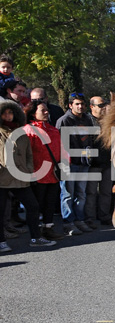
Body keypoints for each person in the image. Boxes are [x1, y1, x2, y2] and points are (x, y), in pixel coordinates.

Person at [0, 100, 56, 252]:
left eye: (10, 112)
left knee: (33, 206)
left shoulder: (21, 132)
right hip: (2, 178)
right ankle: (1, 242)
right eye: (4, 113)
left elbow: (29, 155)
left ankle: (35, 238)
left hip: (21, 177)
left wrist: (29, 170)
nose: (8, 115)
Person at [23, 101, 64, 240]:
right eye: (43, 110)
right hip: (37, 175)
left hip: (53, 174)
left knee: (50, 203)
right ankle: (37, 232)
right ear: (33, 113)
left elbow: (61, 150)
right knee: (37, 205)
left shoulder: (53, 130)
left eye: (47, 110)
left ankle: (48, 228)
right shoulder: (28, 130)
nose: (47, 112)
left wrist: (65, 163)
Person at [56, 92, 95, 236]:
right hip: (68, 163)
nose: (80, 107)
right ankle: (68, 223)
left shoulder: (87, 119)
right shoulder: (64, 120)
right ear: (70, 105)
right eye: (77, 104)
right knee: (67, 194)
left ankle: (80, 220)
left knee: (81, 194)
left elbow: (90, 138)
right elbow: (58, 144)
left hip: (84, 162)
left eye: (82, 104)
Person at [85, 96, 113, 227]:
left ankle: (104, 215)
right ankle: (89, 217)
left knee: (106, 192)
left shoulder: (108, 121)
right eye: (100, 106)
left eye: (104, 105)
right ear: (92, 107)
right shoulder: (87, 121)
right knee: (90, 192)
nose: (103, 108)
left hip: (108, 162)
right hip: (93, 163)